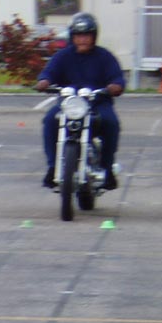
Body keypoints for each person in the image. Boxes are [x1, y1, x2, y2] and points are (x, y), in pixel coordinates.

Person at [36, 12, 125, 190]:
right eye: (78, 35)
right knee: (50, 120)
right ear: (72, 37)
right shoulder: (62, 56)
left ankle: (107, 169)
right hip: (70, 104)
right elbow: (48, 73)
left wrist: (115, 86)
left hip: (97, 103)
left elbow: (117, 79)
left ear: (94, 36)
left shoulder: (105, 56)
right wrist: (44, 82)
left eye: (86, 35)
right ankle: (53, 167)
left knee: (111, 123)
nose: (82, 39)